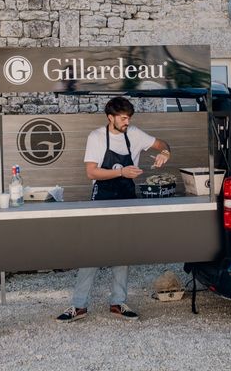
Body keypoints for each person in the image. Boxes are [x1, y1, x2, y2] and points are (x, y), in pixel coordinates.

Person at [56, 97, 171, 322]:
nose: (127, 121)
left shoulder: (135, 134)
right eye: (123, 118)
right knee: (92, 251)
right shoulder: (97, 137)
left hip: (127, 198)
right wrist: (121, 172)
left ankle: (118, 302)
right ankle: (79, 306)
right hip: (102, 199)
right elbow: (91, 172)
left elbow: (163, 144)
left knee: (123, 250)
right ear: (111, 118)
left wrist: (165, 153)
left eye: (129, 117)